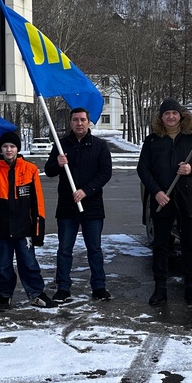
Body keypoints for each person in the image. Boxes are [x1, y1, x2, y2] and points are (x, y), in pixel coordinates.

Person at [136, 98, 192, 306]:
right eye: (167, 113)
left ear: (181, 115)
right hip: (163, 200)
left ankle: (191, 289)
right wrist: (157, 192)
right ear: (161, 117)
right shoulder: (152, 141)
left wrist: (191, 169)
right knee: (161, 246)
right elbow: (143, 169)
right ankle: (160, 289)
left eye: (174, 113)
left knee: (189, 245)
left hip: (187, 199)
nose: (171, 116)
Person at [0, 131, 55, 310]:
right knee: (3, 265)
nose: (9, 150)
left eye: (12, 146)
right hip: (1, 230)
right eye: (5, 146)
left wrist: (38, 231)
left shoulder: (30, 169)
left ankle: (36, 294)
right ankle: (4, 296)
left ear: (18, 148)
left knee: (29, 264)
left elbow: (38, 203)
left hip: (25, 229)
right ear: (1, 148)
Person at [44, 108, 113, 302]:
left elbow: (105, 173)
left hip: (92, 205)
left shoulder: (99, 146)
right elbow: (48, 171)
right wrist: (57, 163)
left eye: (83, 119)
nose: (79, 123)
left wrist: (86, 191)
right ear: (71, 122)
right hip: (67, 206)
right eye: (75, 120)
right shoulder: (61, 144)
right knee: (65, 249)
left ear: (88, 121)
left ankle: (99, 286)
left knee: (95, 248)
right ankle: (63, 287)